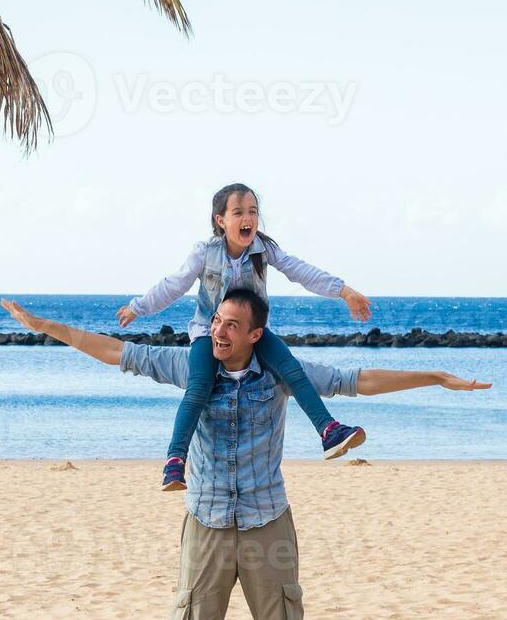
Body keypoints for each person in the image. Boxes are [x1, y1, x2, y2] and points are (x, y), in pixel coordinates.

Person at [0, 290, 491, 620]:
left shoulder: (280, 372)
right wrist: (42, 325)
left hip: (268, 528)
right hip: (205, 526)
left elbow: (357, 381)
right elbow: (113, 350)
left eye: (232, 325)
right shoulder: (188, 367)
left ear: (256, 336)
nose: (219, 331)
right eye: (216, 320)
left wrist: (435, 377)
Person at [117, 183, 375, 492]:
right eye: (238, 212)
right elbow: (174, 285)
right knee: (199, 386)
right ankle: (175, 461)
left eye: (253, 212)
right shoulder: (205, 253)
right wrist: (138, 307)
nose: (247, 218)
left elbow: (300, 271)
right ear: (220, 220)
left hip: (253, 331)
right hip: (210, 332)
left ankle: (328, 430)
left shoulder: (263, 249)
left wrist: (344, 291)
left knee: (291, 370)